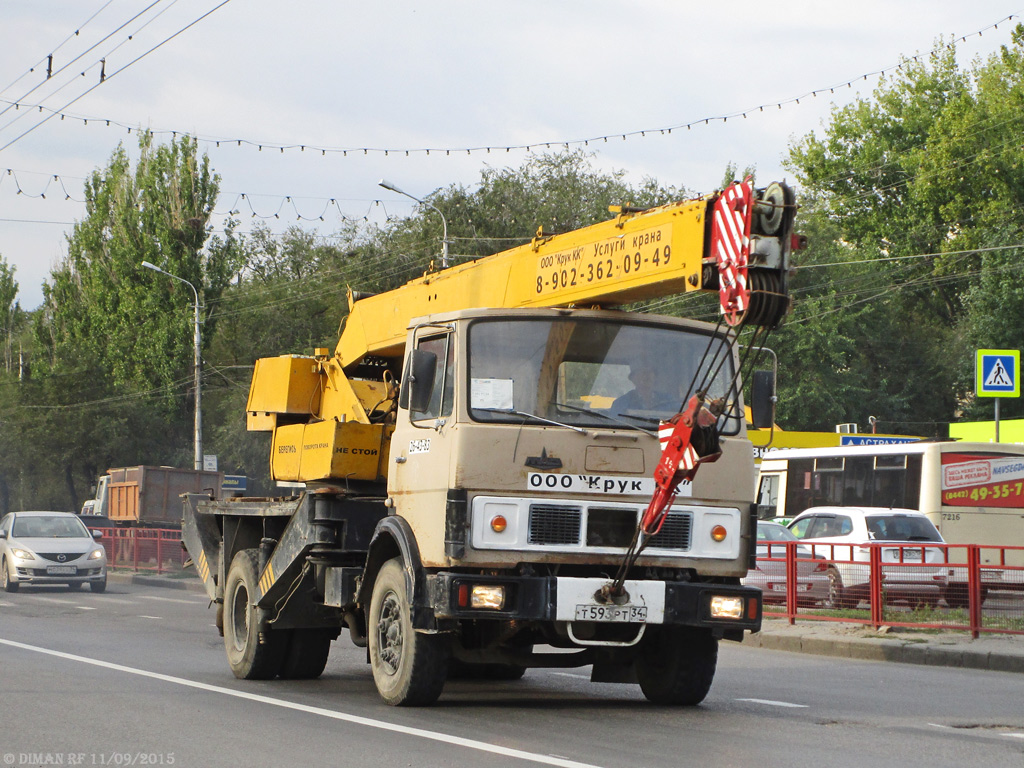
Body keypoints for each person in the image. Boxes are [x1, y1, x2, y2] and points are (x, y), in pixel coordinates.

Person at [610, 364, 678, 414]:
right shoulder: (621, 403)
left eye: (650, 372)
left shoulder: (668, 400)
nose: (646, 375)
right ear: (633, 379)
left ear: (655, 378)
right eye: (642, 372)